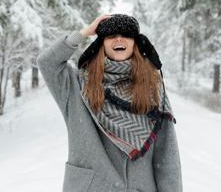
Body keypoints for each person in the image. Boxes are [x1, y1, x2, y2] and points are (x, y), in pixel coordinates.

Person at [36, 14, 183, 192]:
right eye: (111, 35)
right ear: (101, 43)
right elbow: (47, 63)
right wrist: (85, 32)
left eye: (126, 35)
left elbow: (167, 158)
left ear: (135, 43)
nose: (119, 39)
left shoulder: (153, 88)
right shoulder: (78, 85)